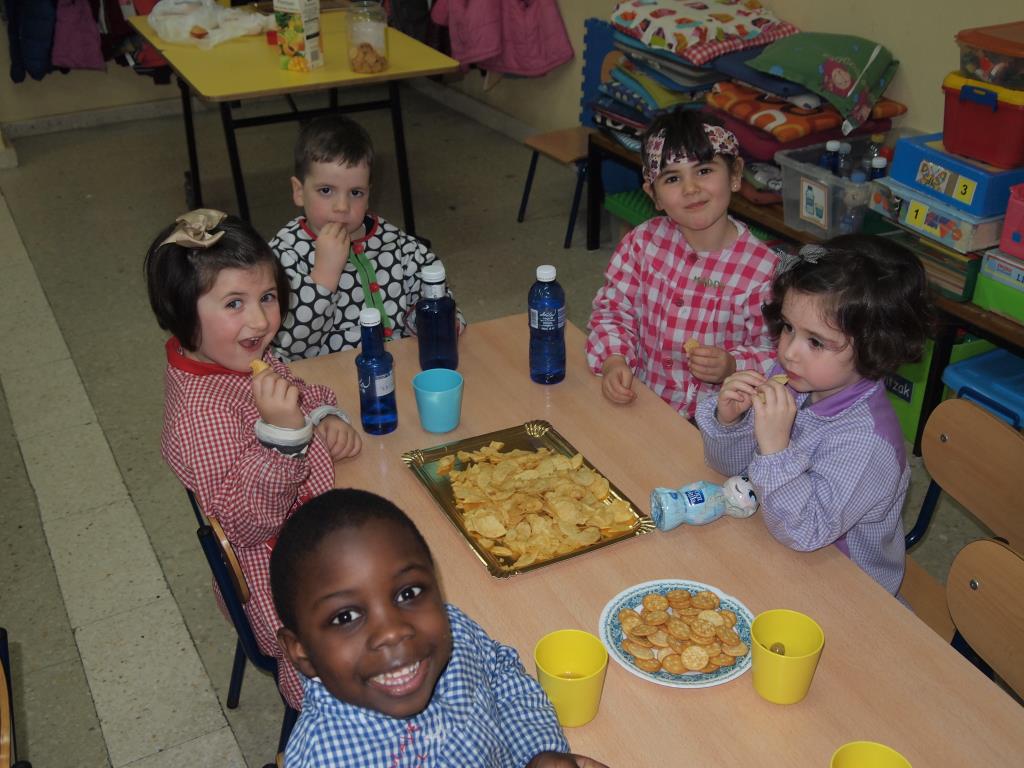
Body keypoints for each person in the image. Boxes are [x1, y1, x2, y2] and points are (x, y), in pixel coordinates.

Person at [144, 209, 362, 711]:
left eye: (267, 296)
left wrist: (323, 415)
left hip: (319, 528)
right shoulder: (200, 418)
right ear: (182, 315)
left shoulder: (239, 359)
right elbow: (245, 524)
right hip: (287, 594)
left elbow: (302, 389)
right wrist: (283, 439)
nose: (261, 321)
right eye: (234, 303)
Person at [270, 489, 609, 768]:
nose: (392, 631)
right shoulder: (323, 758)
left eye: (408, 593)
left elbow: (500, 673)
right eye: (345, 617)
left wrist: (538, 752)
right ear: (301, 652)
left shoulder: (453, 632)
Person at [696, 235, 933, 596]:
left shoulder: (867, 445)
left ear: (874, 348)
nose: (789, 352)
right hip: (776, 545)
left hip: (845, 591)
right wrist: (731, 422)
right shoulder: (797, 378)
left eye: (816, 342)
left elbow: (805, 532)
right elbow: (729, 469)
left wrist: (775, 450)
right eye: (789, 327)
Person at [586, 111, 779, 420]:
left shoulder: (764, 272)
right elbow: (613, 311)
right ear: (654, 195)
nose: (690, 189)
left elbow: (780, 354)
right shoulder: (641, 243)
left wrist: (733, 365)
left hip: (716, 423)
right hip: (640, 398)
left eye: (704, 170)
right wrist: (614, 360)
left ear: (735, 174)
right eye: (672, 178)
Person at [271, 113, 464, 360]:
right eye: (326, 190)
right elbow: (288, 345)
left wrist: (437, 321)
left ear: (369, 194)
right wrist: (324, 277)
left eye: (356, 193)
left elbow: (434, 296)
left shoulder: (396, 244)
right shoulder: (283, 255)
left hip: (398, 367)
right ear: (299, 191)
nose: (342, 206)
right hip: (324, 375)